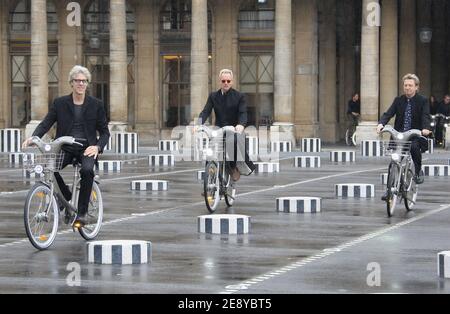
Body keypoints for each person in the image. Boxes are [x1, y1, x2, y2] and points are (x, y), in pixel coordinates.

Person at [22, 65, 110, 227]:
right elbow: (46, 122)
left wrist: (97, 147)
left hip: (87, 149)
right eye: (77, 81)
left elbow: (105, 132)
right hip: (65, 147)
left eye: (84, 81)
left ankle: (82, 213)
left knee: (87, 171)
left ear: (87, 84)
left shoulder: (96, 104)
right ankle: (66, 194)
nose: (81, 84)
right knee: (49, 168)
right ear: (71, 83)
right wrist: (34, 137)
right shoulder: (60, 103)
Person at [377, 74, 431, 194]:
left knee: (414, 147)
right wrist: (381, 124)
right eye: (405, 85)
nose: (407, 88)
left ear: (416, 87)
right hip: (399, 135)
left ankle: (417, 171)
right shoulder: (398, 100)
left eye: (410, 85)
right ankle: (390, 189)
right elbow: (388, 113)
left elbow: (425, 116)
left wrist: (425, 129)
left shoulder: (423, 101)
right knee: (395, 160)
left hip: (415, 135)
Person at [199, 69, 255, 181]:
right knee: (210, 150)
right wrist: (197, 124)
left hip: (234, 129)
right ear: (220, 81)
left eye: (228, 81)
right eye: (223, 80)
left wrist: (240, 125)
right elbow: (206, 111)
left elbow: (243, 113)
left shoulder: (239, 96)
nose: (226, 83)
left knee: (232, 141)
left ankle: (233, 168)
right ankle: (208, 182)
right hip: (219, 129)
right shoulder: (213, 96)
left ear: (232, 82)